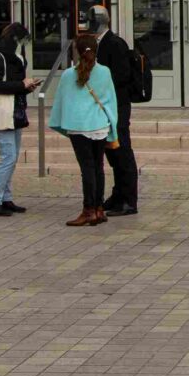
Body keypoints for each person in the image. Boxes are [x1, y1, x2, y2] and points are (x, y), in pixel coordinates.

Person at [47, 27, 120, 227]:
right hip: (100, 125)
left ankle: (88, 210)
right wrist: (112, 124)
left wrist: (61, 123)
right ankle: (98, 209)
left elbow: (62, 102)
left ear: (77, 51)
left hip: (78, 127)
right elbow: (110, 101)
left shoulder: (69, 75)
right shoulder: (105, 72)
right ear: (96, 50)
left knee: (86, 168)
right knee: (98, 167)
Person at [0, 19, 38, 218]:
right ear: (15, 38)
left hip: (15, 112)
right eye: (22, 40)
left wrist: (26, 86)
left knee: (11, 158)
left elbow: (12, 84)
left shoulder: (15, 57)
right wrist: (22, 85)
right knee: (8, 157)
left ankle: (5, 198)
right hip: (3, 113)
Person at [89, 6, 141, 216]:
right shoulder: (99, 43)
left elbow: (121, 76)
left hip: (117, 105)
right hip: (106, 105)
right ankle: (118, 194)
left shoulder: (114, 43)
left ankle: (128, 199)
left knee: (122, 151)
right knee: (112, 151)